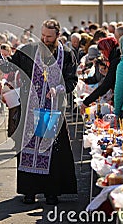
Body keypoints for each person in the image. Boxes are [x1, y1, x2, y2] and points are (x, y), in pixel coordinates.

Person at [7, 19, 77, 205]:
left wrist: (59, 88)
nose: (45, 39)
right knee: (28, 149)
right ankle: (29, 192)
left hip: (52, 110)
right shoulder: (29, 50)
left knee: (52, 152)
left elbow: (72, 80)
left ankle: (51, 192)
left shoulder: (67, 54)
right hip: (30, 110)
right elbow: (11, 67)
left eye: (49, 37)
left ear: (57, 36)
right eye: (43, 36)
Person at [80, 37, 121, 114]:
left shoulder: (115, 61)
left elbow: (106, 84)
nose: (103, 55)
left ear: (107, 49)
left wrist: (87, 101)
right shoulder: (113, 59)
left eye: (103, 52)